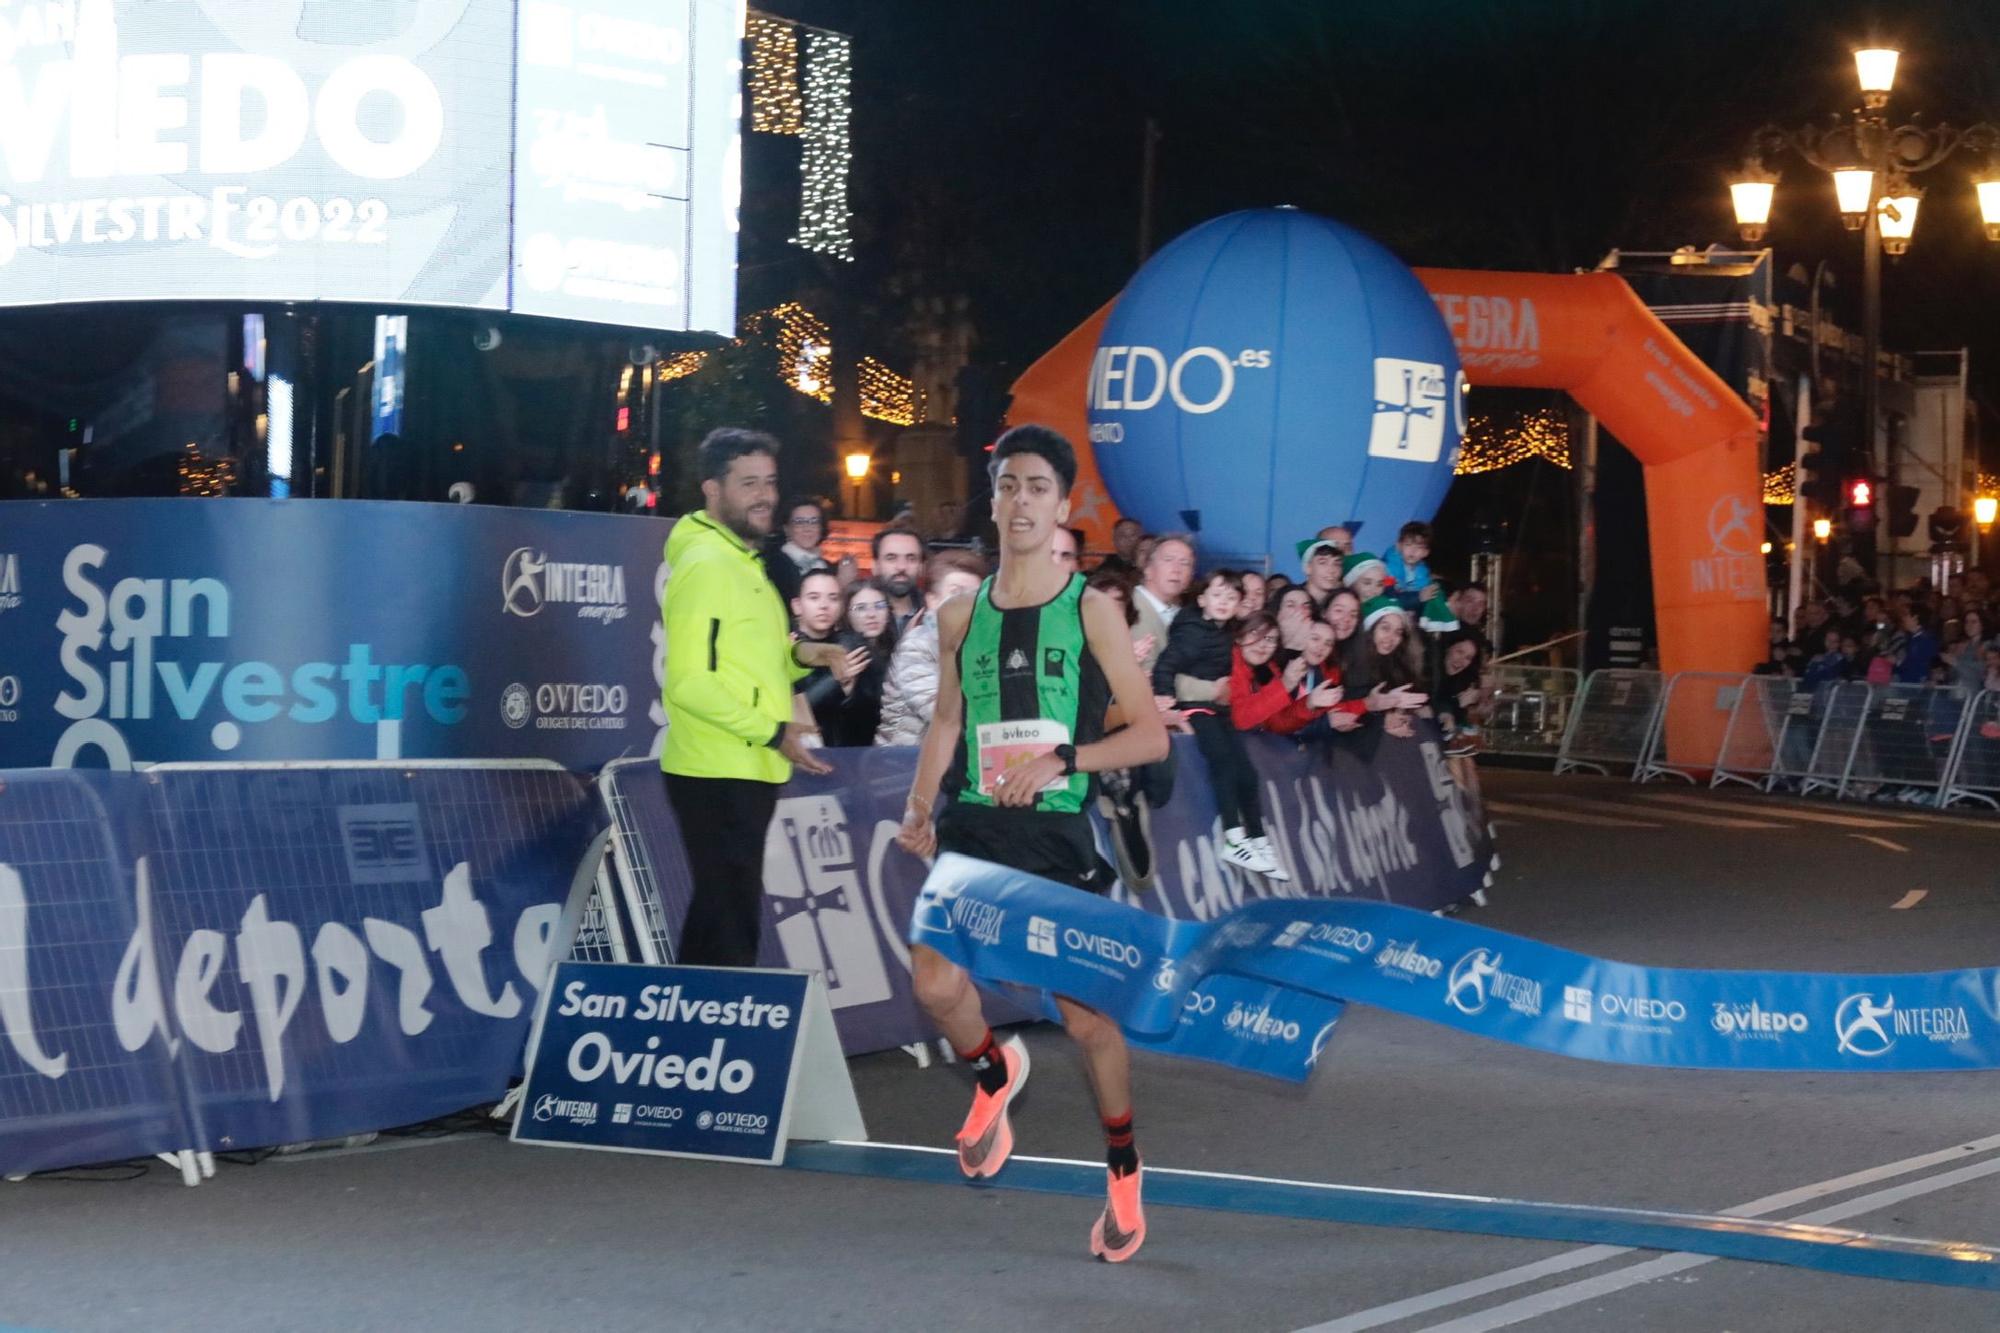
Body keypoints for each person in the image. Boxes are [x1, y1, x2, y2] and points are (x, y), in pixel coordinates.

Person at [896, 424, 1169, 1263]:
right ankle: (993, 1073)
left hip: (1054, 833)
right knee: (936, 984)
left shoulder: (1091, 610)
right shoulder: (958, 613)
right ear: (995, 496)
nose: (1020, 502)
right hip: (975, 823)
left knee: (1087, 1020)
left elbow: (1151, 736)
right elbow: (946, 717)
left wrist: (1066, 757)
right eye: (1008, 485)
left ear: (1061, 505)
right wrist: (919, 805)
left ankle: (1123, 1163)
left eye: (1038, 488)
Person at [661, 429, 839, 966]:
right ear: (712, 490)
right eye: (748, 484)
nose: (764, 495)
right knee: (728, 922)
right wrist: (772, 731)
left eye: (770, 482)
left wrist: (808, 656)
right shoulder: (709, 564)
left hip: (744, 763)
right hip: (718, 768)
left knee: (725, 915)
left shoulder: (743, 561)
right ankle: (709, 1038)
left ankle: (697, 1037)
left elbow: (750, 664)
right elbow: (688, 682)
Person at [1153, 571, 1285, 878]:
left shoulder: (1225, 631)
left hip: (1217, 710)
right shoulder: (1192, 632)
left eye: (1231, 597)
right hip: (1195, 709)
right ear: (1201, 599)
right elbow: (1165, 666)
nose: (1224, 603)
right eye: (1217, 595)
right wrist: (1166, 704)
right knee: (1223, 763)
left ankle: (1258, 838)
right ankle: (1233, 838)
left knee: (1247, 773)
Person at [876, 550, 989, 746]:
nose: (967, 602)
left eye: (975, 595)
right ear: (932, 600)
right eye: (957, 592)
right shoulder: (918, 644)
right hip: (901, 763)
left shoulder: (978, 644)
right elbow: (939, 709)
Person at [1229, 613, 1349, 737]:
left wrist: (1309, 703)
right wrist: (1285, 685)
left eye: (1270, 639)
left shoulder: (1270, 668)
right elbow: (1241, 719)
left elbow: (1277, 723)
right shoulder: (1230, 662)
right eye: (1255, 634)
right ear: (1239, 636)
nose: (1262, 645)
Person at [793, 569, 872, 745]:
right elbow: (791, 710)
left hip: (848, 754)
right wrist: (836, 681)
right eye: (814, 598)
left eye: (833, 598)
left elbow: (872, 714)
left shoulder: (853, 646)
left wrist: (851, 693)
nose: (824, 605)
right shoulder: (785, 648)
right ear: (797, 606)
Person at [1342, 596, 1429, 739]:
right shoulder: (1353, 663)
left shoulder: (1394, 663)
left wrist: (1399, 715)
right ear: (1370, 628)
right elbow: (1344, 712)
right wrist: (1383, 721)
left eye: (1398, 632)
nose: (1391, 637)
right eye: (1385, 628)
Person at [834, 579, 898, 745]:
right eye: (861, 608)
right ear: (846, 613)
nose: (872, 614)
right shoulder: (846, 649)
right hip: (852, 751)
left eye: (879, 606)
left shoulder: (892, 648)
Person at [764, 499, 831, 607]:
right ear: (786, 529)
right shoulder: (775, 564)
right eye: (799, 522)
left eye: (814, 521)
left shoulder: (827, 566)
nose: (807, 528)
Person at [872, 528, 927, 631]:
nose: (901, 567)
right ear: (875, 566)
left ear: (921, 567)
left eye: (911, 559)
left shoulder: (934, 614)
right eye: (891, 558)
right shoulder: (857, 614)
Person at [1382, 521, 1436, 611]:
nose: (1413, 551)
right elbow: (1389, 598)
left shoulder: (1424, 576)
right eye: (1408, 545)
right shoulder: (1387, 570)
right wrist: (1418, 598)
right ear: (1399, 546)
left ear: (1425, 552)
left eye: (1419, 547)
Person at [1296, 537, 1344, 615]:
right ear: (1307, 568)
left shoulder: (1343, 602)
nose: (1331, 570)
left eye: (1337, 564)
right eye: (1323, 562)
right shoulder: (1293, 600)